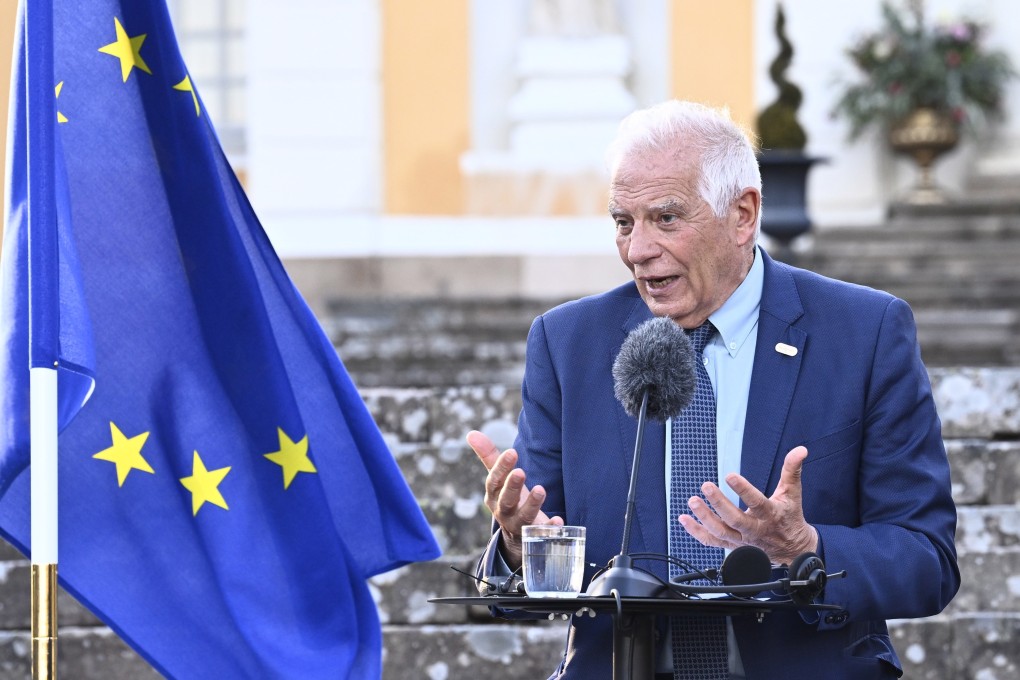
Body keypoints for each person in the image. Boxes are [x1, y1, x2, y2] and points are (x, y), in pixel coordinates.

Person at [468, 100, 959, 679]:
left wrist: (807, 547)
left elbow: (928, 561)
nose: (637, 249)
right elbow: (522, 574)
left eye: (666, 218)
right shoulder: (567, 342)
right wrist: (517, 551)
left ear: (743, 214)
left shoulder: (864, 332)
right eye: (624, 222)